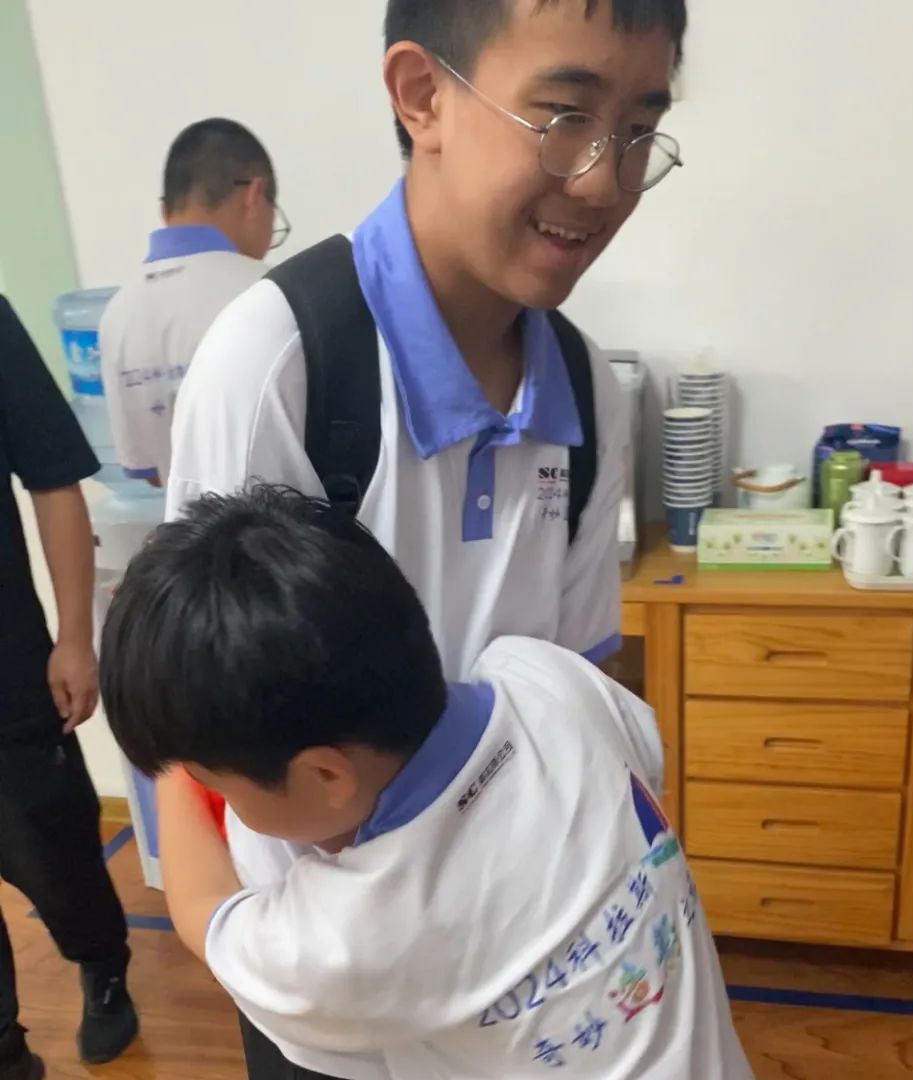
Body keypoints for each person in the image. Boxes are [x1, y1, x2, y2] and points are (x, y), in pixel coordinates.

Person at [99, 487, 753, 1080]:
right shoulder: (545, 677)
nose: (220, 800)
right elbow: (645, 756)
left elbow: (205, 912)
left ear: (325, 775)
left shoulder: (348, 937)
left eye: (219, 786)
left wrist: (174, 759)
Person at [166, 0, 688, 680]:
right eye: (565, 115)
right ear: (423, 96)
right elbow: (211, 716)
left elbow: (578, 684)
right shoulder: (278, 366)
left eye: (639, 131)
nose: (600, 184)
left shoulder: (585, 388)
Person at [0, 297, 138, 1079]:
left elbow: (54, 480)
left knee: (54, 851)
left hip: (7, 664)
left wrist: (76, 638)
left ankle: (103, 962)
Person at [100, 118, 285, 489]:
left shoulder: (118, 314)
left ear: (166, 210)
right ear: (254, 194)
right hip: (282, 521)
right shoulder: (271, 291)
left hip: (185, 524)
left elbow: (151, 473)